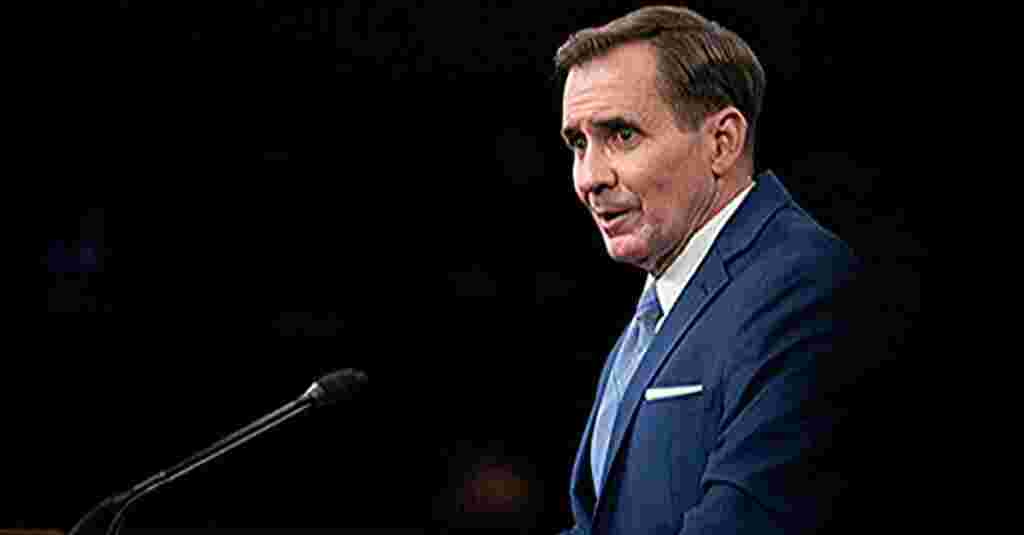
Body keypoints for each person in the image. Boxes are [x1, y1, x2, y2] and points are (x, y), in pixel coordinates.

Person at [554, 6, 879, 534]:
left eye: (622, 135)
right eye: (578, 143)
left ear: (722, 142)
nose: (590, 176)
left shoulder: (804, 285)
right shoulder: (662, 302)